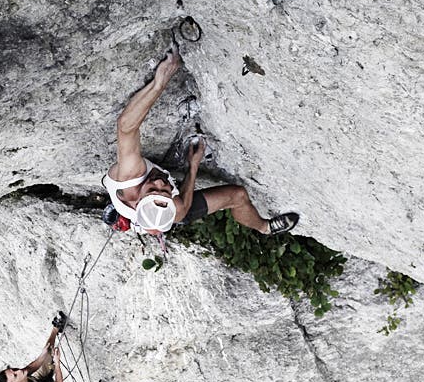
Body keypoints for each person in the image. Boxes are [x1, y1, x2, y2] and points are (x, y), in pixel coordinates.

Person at [102, 43, 299, 238]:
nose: (161, 184)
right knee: (238, 196)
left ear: (139, 199)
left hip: (133, 195)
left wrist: (159, 83)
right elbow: (185, 205)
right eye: (166, 190)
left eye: (153, 189)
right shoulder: (175, 208)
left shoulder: (130, 178)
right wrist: (193, 167)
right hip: (163, 215)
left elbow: (126, 126)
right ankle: (265, 228)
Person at [0, 312, 112, 382]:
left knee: (46, 354)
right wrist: (57, 364)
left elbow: (33, 366)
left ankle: (56, 327)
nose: (18, 370)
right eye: (15, 375)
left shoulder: (20, 375)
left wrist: (44, 354)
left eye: (14, 370)